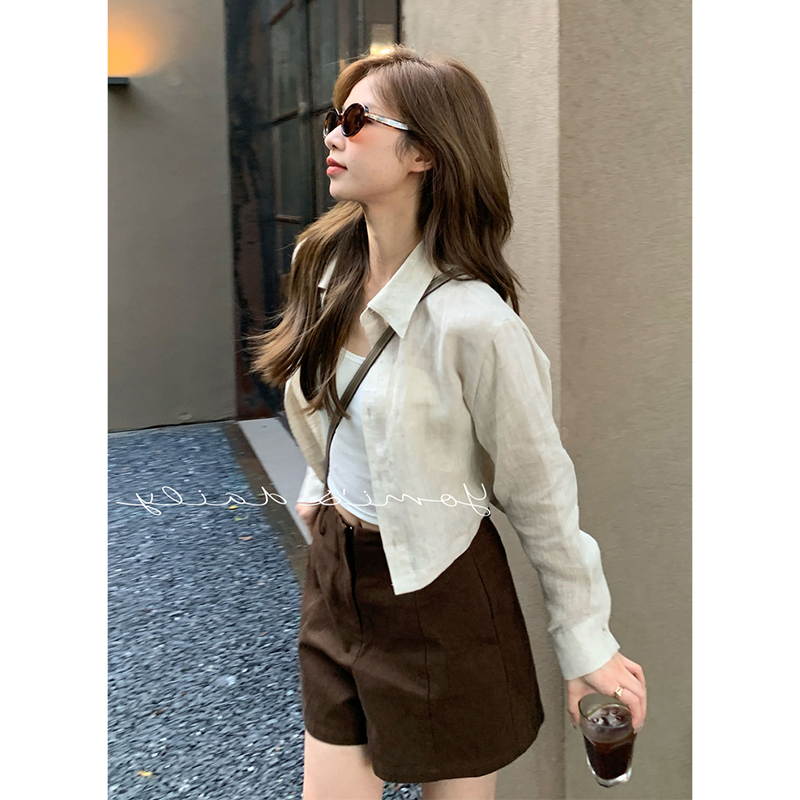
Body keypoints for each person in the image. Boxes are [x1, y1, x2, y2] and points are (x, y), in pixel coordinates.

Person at [251, 44, 646, 800]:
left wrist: (586, 644)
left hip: (443, 593)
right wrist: (320, 481)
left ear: (424, 153)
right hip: (338, 574)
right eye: (334, 117)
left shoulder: (475, 323)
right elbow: (337, 402)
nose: (332, 133)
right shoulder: (323, 269)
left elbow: (539, 492)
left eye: (357, 120)